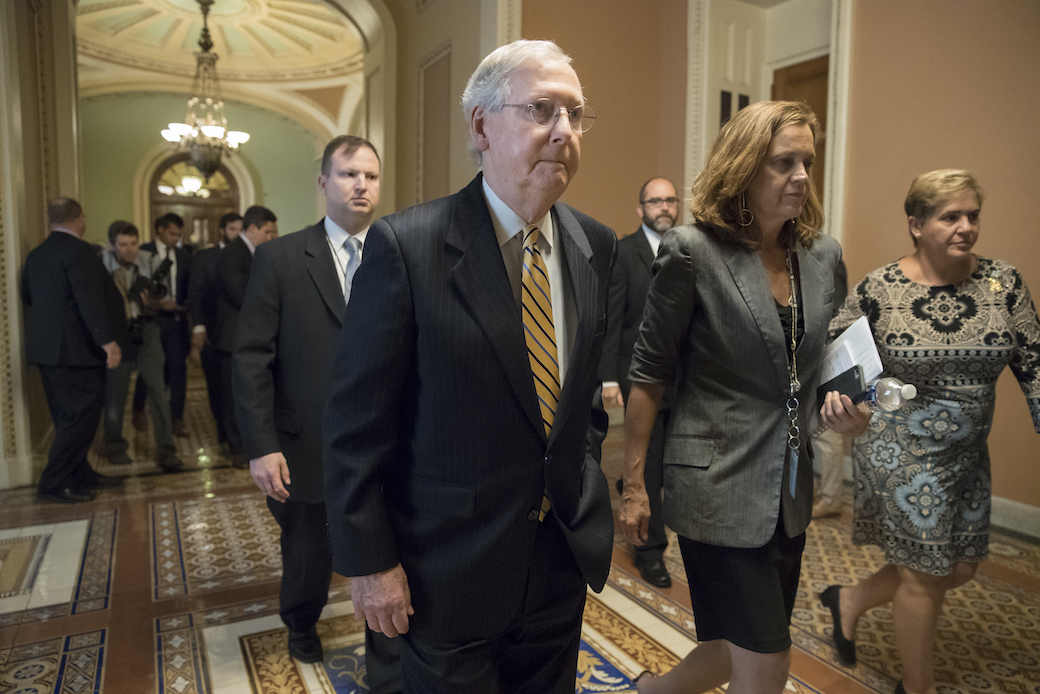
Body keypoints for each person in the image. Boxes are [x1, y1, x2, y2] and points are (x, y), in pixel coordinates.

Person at [322, 39, 616, 693]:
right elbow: (355, 426)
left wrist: (582, 491)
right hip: (444, 572)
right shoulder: (408, 246)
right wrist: (370, 561)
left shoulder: (594, 245)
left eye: (575, 113)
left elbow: (581, 406)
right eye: (542, 109)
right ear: (482, 126)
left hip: (557, 566)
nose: (564, 130)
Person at [618, 101, 871, 694]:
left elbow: (826, 365)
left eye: (807, 160)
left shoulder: (823, 255)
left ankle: (649, 692)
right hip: (717, 487)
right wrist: (634, 484)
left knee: (730, 654)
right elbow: (649, 374)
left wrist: (848, 408)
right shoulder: (691, 251)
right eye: (784, 162)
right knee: (768, 662)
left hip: (788, 491)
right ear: (744, 168)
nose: (802, 176)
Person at [820, 169, 1040, 694]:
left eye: (973, 215)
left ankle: (847, 600)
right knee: (924, 574)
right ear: (917, 224)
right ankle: (916, 687)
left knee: (959, 566)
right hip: (900, 443)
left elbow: (1033, 360)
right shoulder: (881, 288)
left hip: (968, 449)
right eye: (950, 216)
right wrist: (855, 408)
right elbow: (838, 357)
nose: (966, 227)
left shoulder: (1002, 284)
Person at [233, 135, 401, 687]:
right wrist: (261, 444)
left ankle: (385, 634)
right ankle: (301, 624)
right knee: (307, 550)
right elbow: (252, 357)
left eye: (371, 177)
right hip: (304, 441)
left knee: (385, 541)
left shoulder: (398, 252)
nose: (361, 185)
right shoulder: (281, 258)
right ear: (324, 182)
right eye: (349, 174)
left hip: (385, 439)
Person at [599, 176, 681, 588]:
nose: (664, 207)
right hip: (635, 375)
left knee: (666, 463)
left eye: (669, 200)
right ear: (641, 209)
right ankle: (650, 552)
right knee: (648, 465)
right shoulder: (624, 251)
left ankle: (630, 485)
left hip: (680, 378)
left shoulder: (688, 249)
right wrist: (609, 377)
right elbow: (613, 316)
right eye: (655, 201)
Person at [21, 197, 125, 503]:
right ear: (80, 218)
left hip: (47, 350)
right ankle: (53, 482)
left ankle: (80, 472)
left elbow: (29, 296)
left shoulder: (37, 254)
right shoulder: (80, 251)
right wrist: (107, 342)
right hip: (77, 351)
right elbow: (89, 299)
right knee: (81, 418)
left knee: (68, 416)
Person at [100, 221, 183, 472]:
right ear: (113, 245)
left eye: (133, 243)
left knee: (157, 388)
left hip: (147, 327)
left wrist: (152, 301)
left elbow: (162, 300)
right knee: (116, 393)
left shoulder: (150, 261)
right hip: (117, 332)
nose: (129, 249)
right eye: (123, 245)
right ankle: (115, 445)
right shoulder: (101, 264)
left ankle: (166, 448)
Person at [212, 205, 277, 468]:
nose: (272, 237)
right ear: (252, 229)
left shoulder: (252, 252)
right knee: (231, 395)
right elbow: (240, 294)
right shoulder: (232, 254)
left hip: (245, 335)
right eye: (268, 232)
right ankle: (235, 446)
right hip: (231, 337)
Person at [132, 213, 192, 437]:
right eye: (171, 233)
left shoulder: (185, 256)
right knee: (151, 369)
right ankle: (139, 408)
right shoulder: (143, 252)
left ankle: (177, 417)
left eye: (178, 234)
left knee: (177, 369)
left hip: (176, 321)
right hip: (152, 319)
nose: (175, 238)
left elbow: (190, 286)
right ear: (160, 230)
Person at [188, 212, 243, 448]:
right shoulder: (206, 257)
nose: (237, 234)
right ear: (222, 230)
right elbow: (196, 293)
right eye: (232, 229)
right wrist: (199, 328)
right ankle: (223, 432)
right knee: (217, 387)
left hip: (240, 333)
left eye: (241, 229)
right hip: (213, 332)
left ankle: (235, 437)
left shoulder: (249, 255)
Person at [811, 257, 849, 519]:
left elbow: (835, 311)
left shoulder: (827, 257)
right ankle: (823, 490)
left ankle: (831, 497)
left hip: (825, 354)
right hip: (812, 356)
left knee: (828, 429)